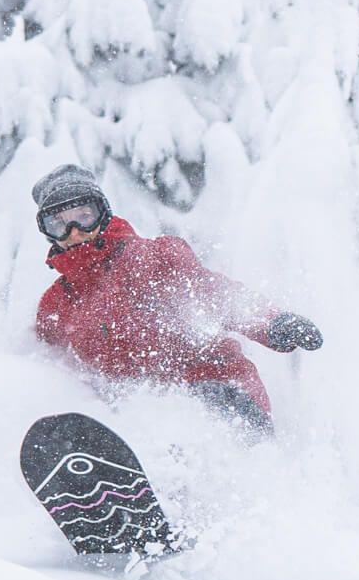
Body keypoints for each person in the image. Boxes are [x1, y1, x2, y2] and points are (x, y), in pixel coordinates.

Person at [28, 164, 322, 437]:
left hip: (219, 390)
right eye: (59, 223)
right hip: (139, 423)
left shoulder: (154, 258)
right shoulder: (56, 305)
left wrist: (272, 323)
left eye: (83, 215)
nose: (74, 231)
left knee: (191, 415)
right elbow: (54, 369)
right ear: (47, 233)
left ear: (102, 214)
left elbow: (215, 294)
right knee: (136, 426)